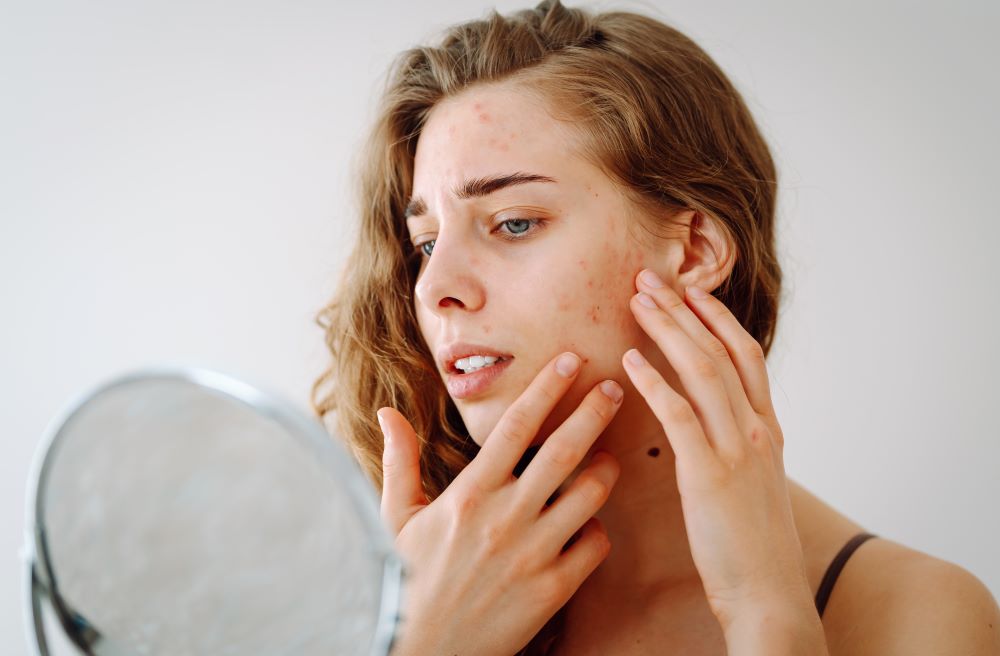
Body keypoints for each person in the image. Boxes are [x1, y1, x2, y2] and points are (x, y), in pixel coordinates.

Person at [311, 1, 1000, 653]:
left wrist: (766, 611)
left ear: (693, 250)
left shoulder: (911, 617)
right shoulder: (347, 598)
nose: (434, 288)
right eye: (427, 243)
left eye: (514, 223)